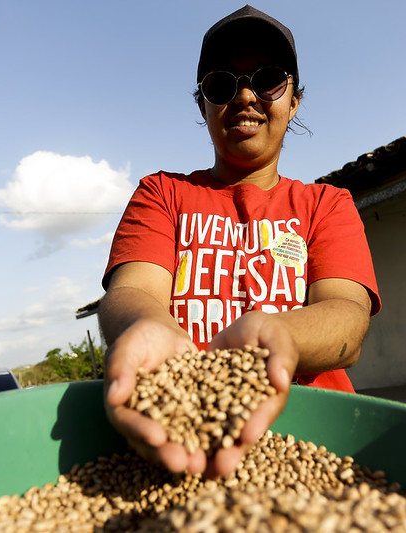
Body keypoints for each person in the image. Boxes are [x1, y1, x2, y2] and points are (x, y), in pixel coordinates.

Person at [99, 5, 381, 478]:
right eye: (222, 84)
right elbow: (133, 292)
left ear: (293, 101)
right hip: (178, 440)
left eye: (268, 79)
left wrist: (277, 338)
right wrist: (152, 330)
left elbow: (347, 322)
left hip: (314, 444)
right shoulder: (162, 193)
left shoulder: (327, 204)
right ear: (203, 103)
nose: (246, 96)